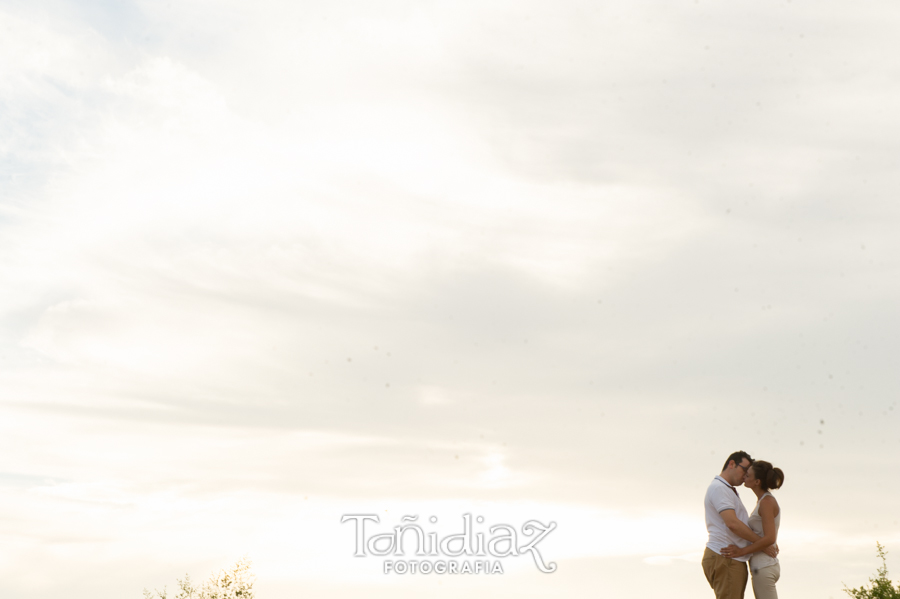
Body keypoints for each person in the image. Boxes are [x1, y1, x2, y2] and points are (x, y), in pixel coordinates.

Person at [703, 451, 778, 599]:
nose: (745, 476)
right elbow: (733, 523)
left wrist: (762, 542)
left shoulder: (727, 489)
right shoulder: (719, 488)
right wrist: (763, 543)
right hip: (726, 556)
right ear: (732, 464)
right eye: (744, 470)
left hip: (729, 557)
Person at [721, 461, 785, 599]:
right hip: (763, 566)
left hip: (764, 566)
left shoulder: (766, 502)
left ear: (757, 482)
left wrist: (741, 551)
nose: (744, 476)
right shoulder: (763, 501)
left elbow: (770, 538)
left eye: (748, 475)